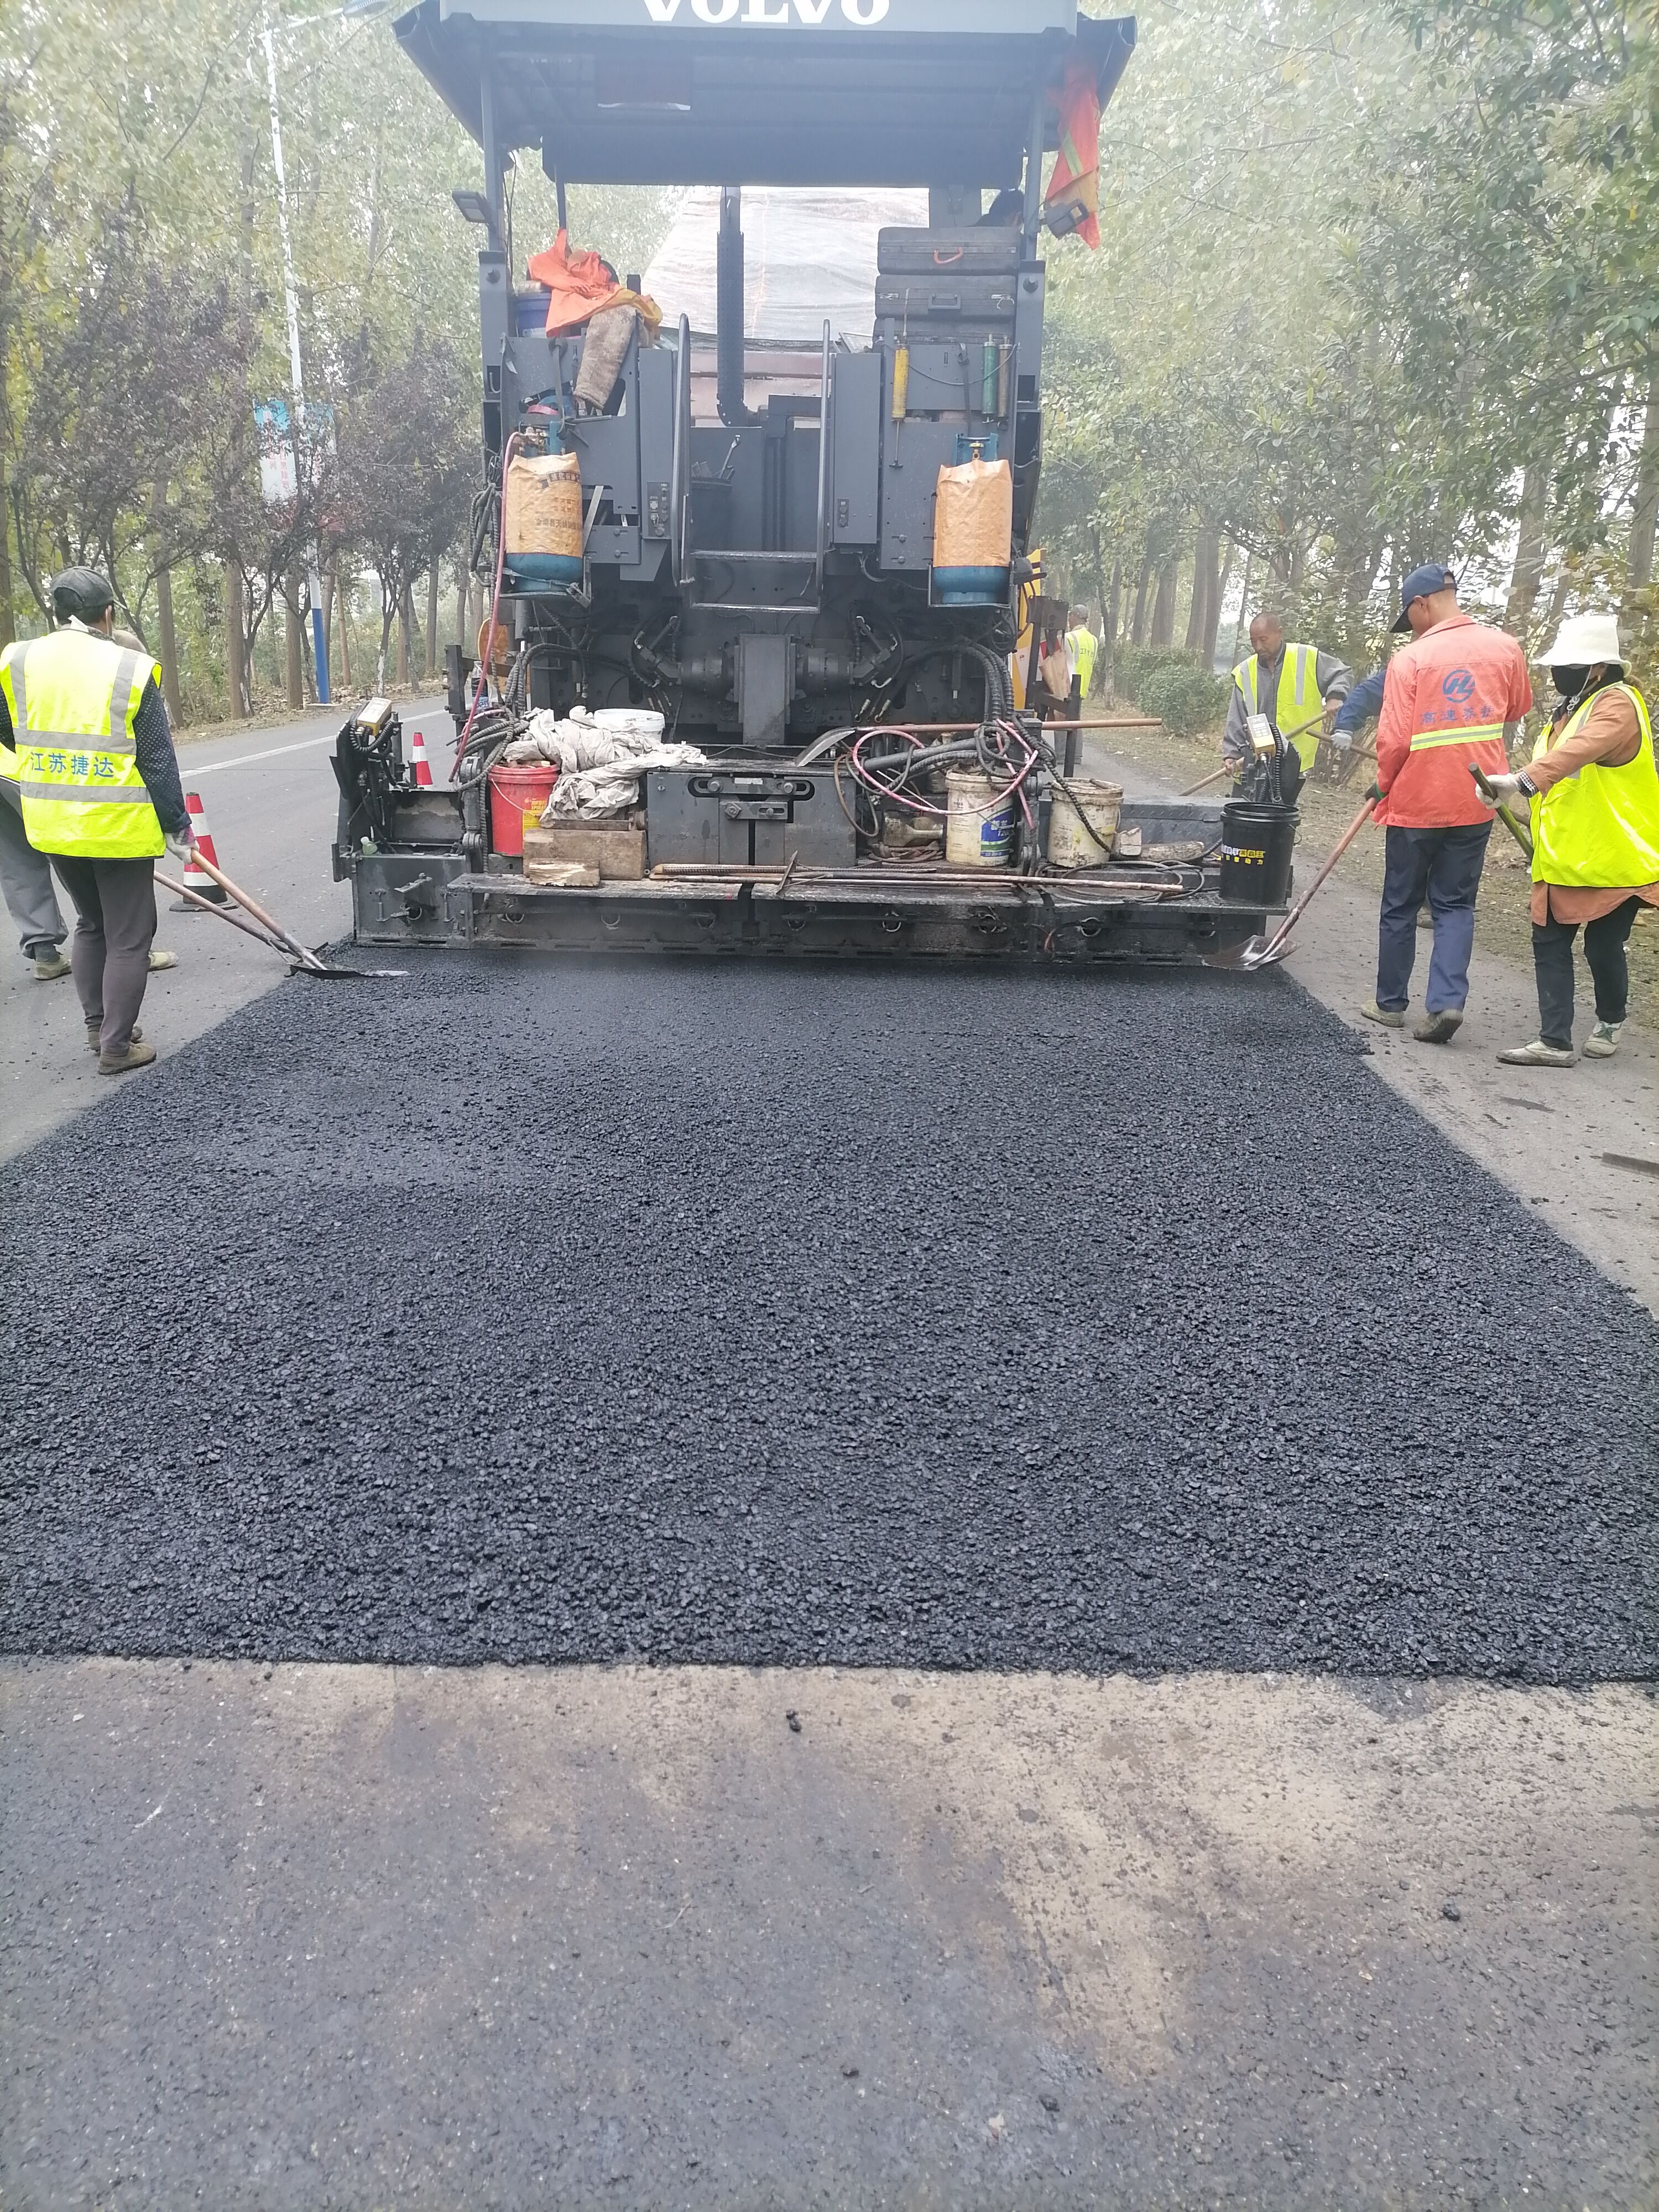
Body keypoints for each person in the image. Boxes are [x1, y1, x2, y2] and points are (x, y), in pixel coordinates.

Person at [0, 567, 195, 1073]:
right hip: (116, 824)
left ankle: (98, 1028)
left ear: (58, 612)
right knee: (130, 935)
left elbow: (6, 727)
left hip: (52, 820)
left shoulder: (18, 658)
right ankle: (117, 1047)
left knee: (92, 923)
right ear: (107, 614)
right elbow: (156, 757)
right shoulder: (130, 667)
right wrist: (177, 824)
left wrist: (51, 763)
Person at [1359, 564, 1532, 1044]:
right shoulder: (1506, 647)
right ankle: (1447, 1003)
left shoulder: (1412, 659)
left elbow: (1395, 740)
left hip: (1417, 801)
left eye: (1409, 616)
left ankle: (1390, 1005)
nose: (1410, 627)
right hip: (1478, 798)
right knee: (1455, 904)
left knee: (1400, 902)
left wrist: (1383, 784)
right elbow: (1517, 708)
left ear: (1422, 604)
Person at [1481, 613, 1657, 1067]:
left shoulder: (1618, 705)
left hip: (1615, 859)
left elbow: (1583, 750)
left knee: (1603, 945)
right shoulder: (1567, 713)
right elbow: (1561, 777)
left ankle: (1611, 1020)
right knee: (1548, 941)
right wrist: (1505, 789)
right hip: (1563, 857)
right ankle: (1554, 1041)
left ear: (1597, 668)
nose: (1559, 673)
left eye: (1570, 665)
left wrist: (1520, 781)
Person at [1221, 612, 1352, 781]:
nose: (1258, 646)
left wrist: (1335, 696)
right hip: (1255, 761)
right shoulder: (1245, 672)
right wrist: (1232, 754)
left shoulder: (1306, 657)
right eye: (1254, 641)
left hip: (1294, 759)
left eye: (1264, 639)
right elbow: (1237, 717)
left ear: (1279, 633)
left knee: (1282, 798)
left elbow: (1341, 673)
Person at [1064, 606, 1099, 701]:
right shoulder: (1094, 640)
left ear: (1073, 617)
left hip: (1067, 689)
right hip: (1082, 690)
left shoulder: (1068, 637)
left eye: (1070, 616)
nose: (1069, 620)